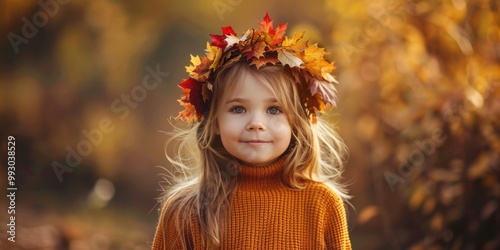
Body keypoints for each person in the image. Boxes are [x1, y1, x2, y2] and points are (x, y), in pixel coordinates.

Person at [152, 12, 352, 250]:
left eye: (274, 110)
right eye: (238, 109)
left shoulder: (322, 204)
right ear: (214, 121)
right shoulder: (184, 210)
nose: (256, 123)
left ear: (296, 123)